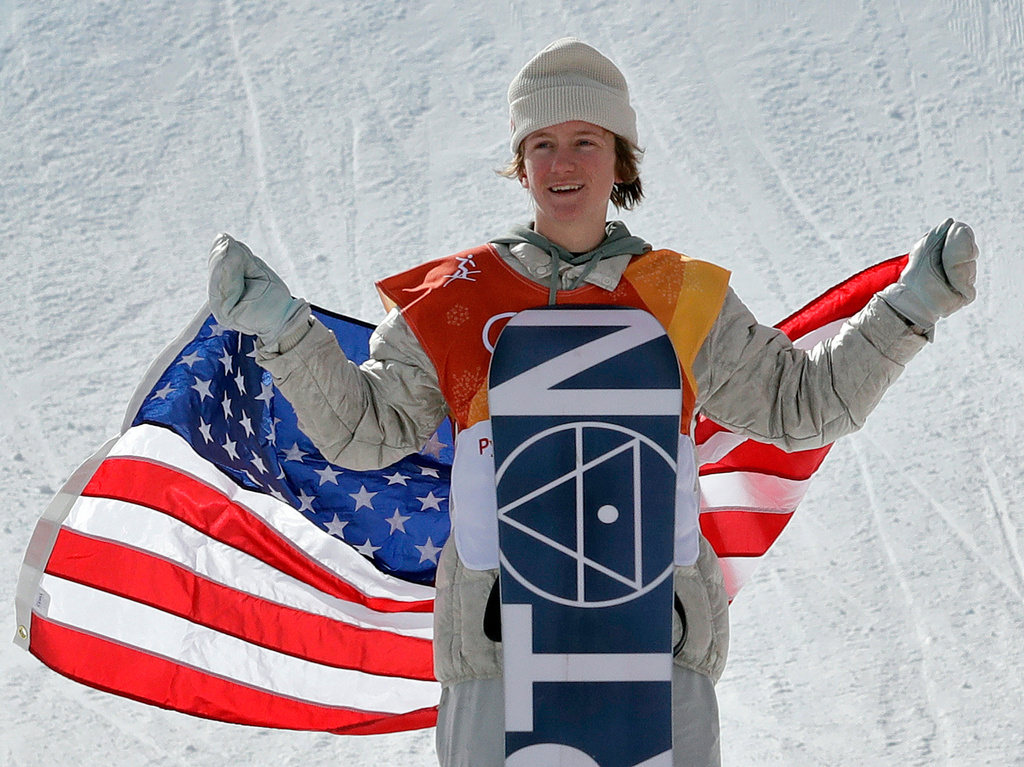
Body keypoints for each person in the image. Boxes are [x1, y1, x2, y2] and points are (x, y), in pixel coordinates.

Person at [207, 38, 978, 767]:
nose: (564, 162)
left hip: (654, 649)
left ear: (620, 159)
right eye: (542, 143)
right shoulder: (458, 300)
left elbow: (806, 403)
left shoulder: (679, 297)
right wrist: (286, 330)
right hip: (499, 656)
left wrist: (911, 307)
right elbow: (365, 430)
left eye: (586, 140)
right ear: (521, 164)